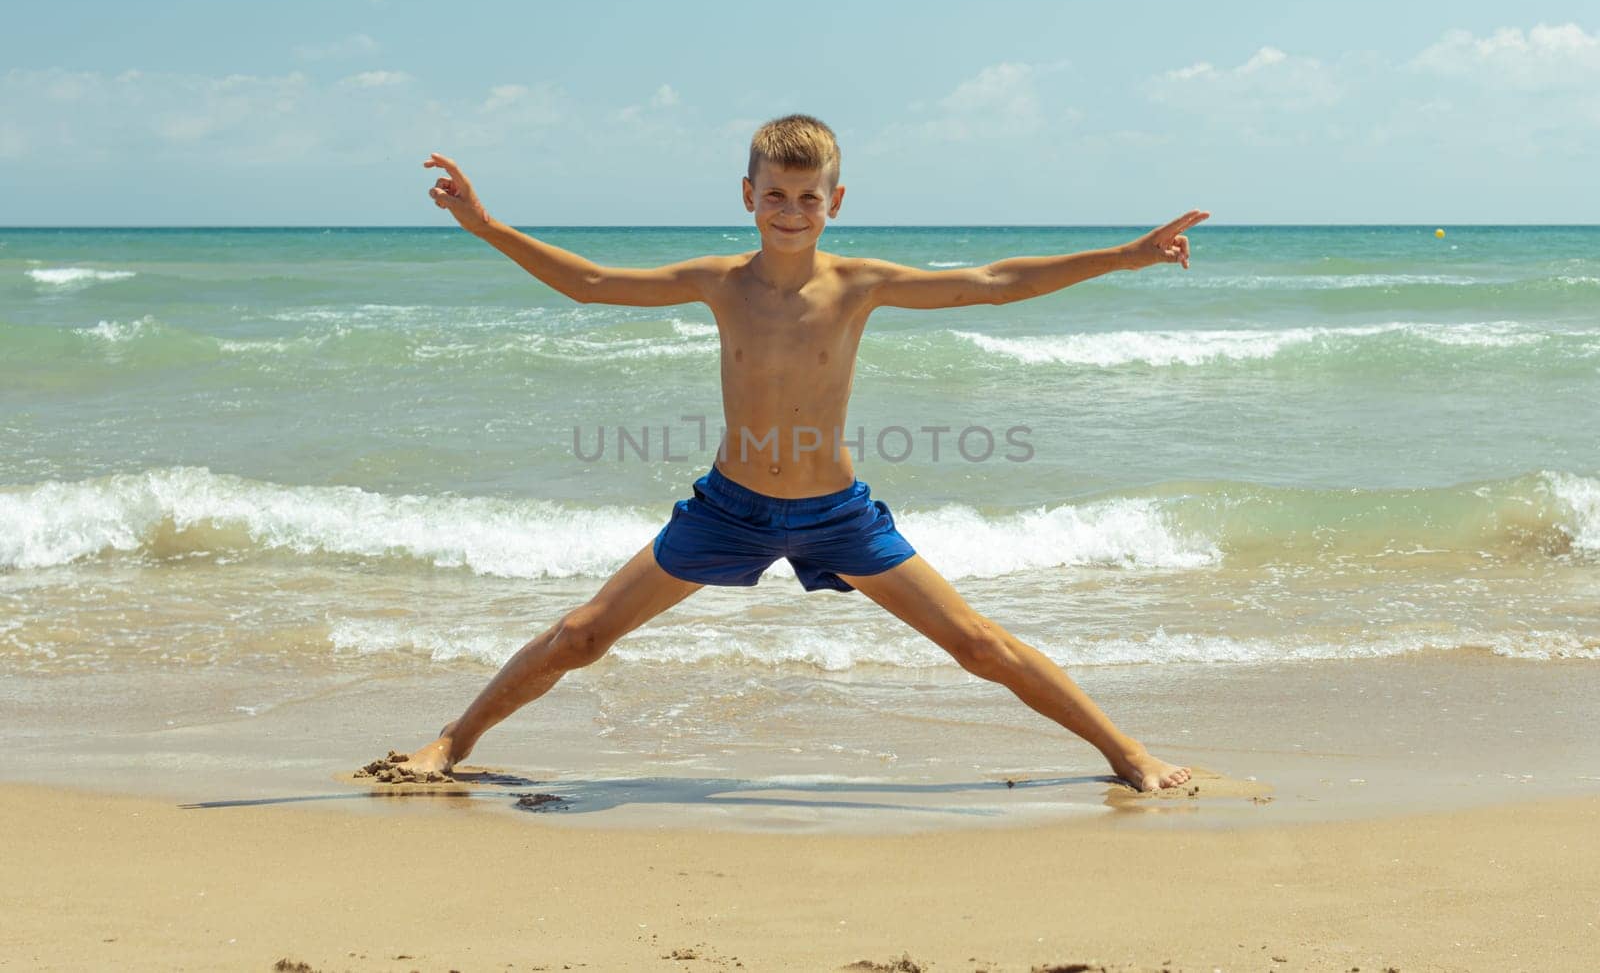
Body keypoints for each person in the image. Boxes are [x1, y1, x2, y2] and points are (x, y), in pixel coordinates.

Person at [398, 114, 1205, 792]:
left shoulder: (858, 282)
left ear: (835, 201)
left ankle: (1127, 754)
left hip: (835, 515)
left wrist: (1126, 254)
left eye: (808, 196)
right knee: (581, 635)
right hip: (730, 509)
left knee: (977, 644)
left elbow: (995, 280)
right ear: (748, 196)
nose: (791, 209)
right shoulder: (720, 280)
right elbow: (592, 282)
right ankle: (451, 742)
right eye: (775, 194)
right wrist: (486, 226)